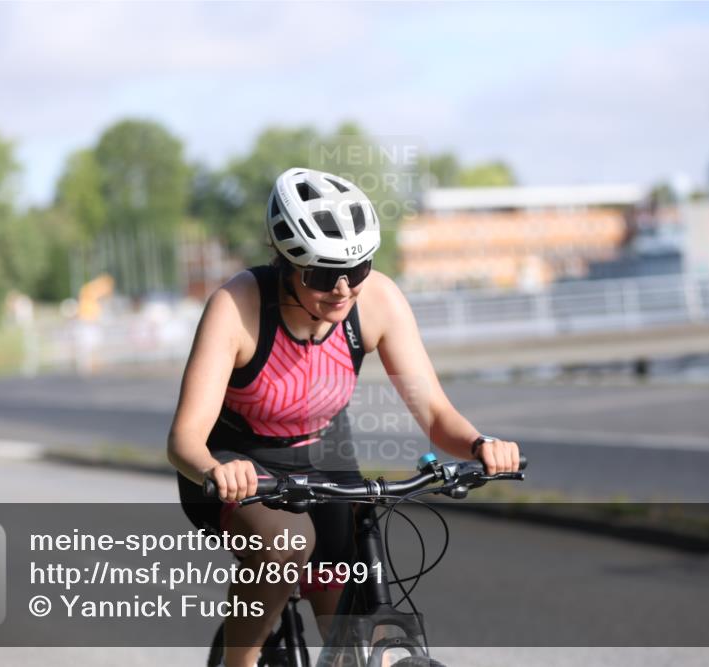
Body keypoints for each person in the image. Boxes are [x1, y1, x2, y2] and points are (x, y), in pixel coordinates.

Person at [167, 168, 521, 667]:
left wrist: (481, 445)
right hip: (237, 461)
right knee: (286, 544)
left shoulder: (378, 300)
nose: (341, 289)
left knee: (351, 632)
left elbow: (437, 414)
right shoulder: (237, 306)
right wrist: (216, 470)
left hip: (324, 455)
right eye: (321, 274)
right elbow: (184, 439)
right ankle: (238, 662)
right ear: (287, 262)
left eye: (356, 271)